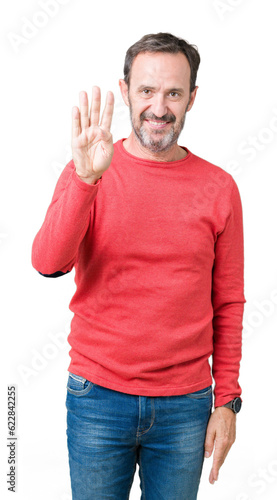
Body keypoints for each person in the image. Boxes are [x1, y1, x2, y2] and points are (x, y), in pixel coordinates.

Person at [31, 32, 246, 500]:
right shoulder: (90, 167)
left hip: (186, 406)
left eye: (173, 93)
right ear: (125, 91)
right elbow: (48, 264)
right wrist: (86, 180)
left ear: (192, 98)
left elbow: (228, 301)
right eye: (146, 90)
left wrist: (227, 400)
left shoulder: (220, 187)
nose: (159, 107)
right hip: (97, 397)